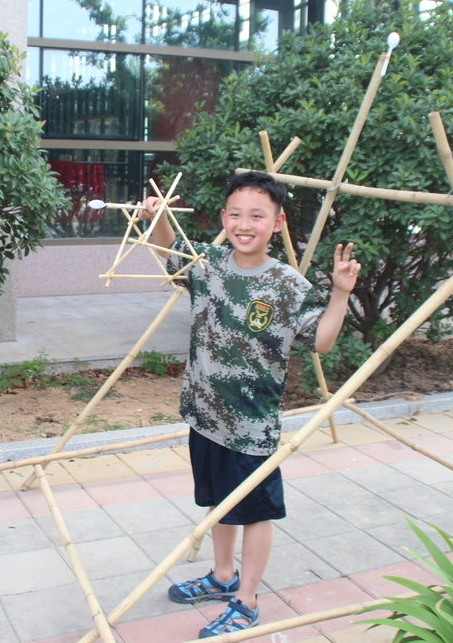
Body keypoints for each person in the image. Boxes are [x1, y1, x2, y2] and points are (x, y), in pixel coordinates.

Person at [139, 171, 360, 638]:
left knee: (255, 512)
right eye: (236, 214)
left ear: (277, 223)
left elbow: (321, 341)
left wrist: (340, 293)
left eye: (257, 216)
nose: (244, 225)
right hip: (204, 415)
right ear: (224, 218)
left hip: (251, 427)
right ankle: (223, 577)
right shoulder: (208, 263)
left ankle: (247, 601)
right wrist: (158, 218)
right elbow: (168, 254)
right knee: (219, 504)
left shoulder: (286, 284)